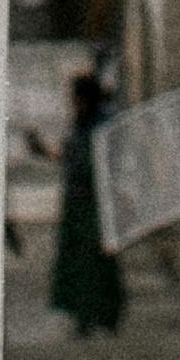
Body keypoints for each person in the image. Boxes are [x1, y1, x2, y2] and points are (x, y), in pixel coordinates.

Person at [51, 61, 125, 337]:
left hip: (97, 205)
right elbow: (69, 155)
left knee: (98, 263)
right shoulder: (83, 124)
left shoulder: (102, 126)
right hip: (79, 204)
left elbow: (97, 162)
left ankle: (104, 315)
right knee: (79, 264)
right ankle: (84, 317)